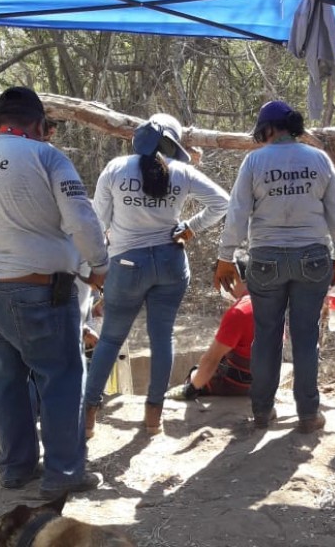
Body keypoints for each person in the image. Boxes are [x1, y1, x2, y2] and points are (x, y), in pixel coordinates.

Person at [0, 86, 109, 500]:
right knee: (62, 379)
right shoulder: (46, 156)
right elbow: (82, 220)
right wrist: (100, 267)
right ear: (38, 125)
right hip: (38, 292)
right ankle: (64, 472)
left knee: (5, 381)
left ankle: (15, 468)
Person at [84, 113, 229, 437]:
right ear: (174, 142)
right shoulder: (182, 171)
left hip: (126, 267)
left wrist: (99, 260)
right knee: (162, 337)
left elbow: (97, 220)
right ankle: (153, 419)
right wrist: (191, 228)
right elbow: (223, 202)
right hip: (170, 265)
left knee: (109, 338)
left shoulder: (116, 169)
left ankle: (88, 418)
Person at [214, 100, 335, 434]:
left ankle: (262, 412)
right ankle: (308, 414)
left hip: (266, 260)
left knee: (266, 336)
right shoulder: (318, 159)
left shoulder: (254, 161)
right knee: (305, 338)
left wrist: (226, 255)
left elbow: (238, 212)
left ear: (269, 128)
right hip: (313, 257)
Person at [166, 252, 253, 400]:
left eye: (225, 278)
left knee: (195, 373)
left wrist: (190, 389)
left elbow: (211, 360)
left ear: (236, 276)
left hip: (238, 386)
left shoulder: (239, 312)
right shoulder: (272, 303)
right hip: (264, 383)